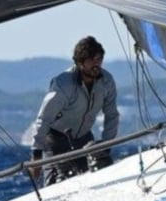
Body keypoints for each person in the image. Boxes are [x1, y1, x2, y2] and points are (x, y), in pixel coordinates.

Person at [29, 36, 119, 186]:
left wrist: (105, 146)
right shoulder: (63, 84)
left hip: (85, 138)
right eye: (92, 60)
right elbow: (44, 119)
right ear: (79, 62)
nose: (97, 64)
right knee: (54, 185)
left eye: (99, 59)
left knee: (92, 181)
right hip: (55, 140)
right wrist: (36, 156)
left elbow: (112, 115)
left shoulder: (107, 81)